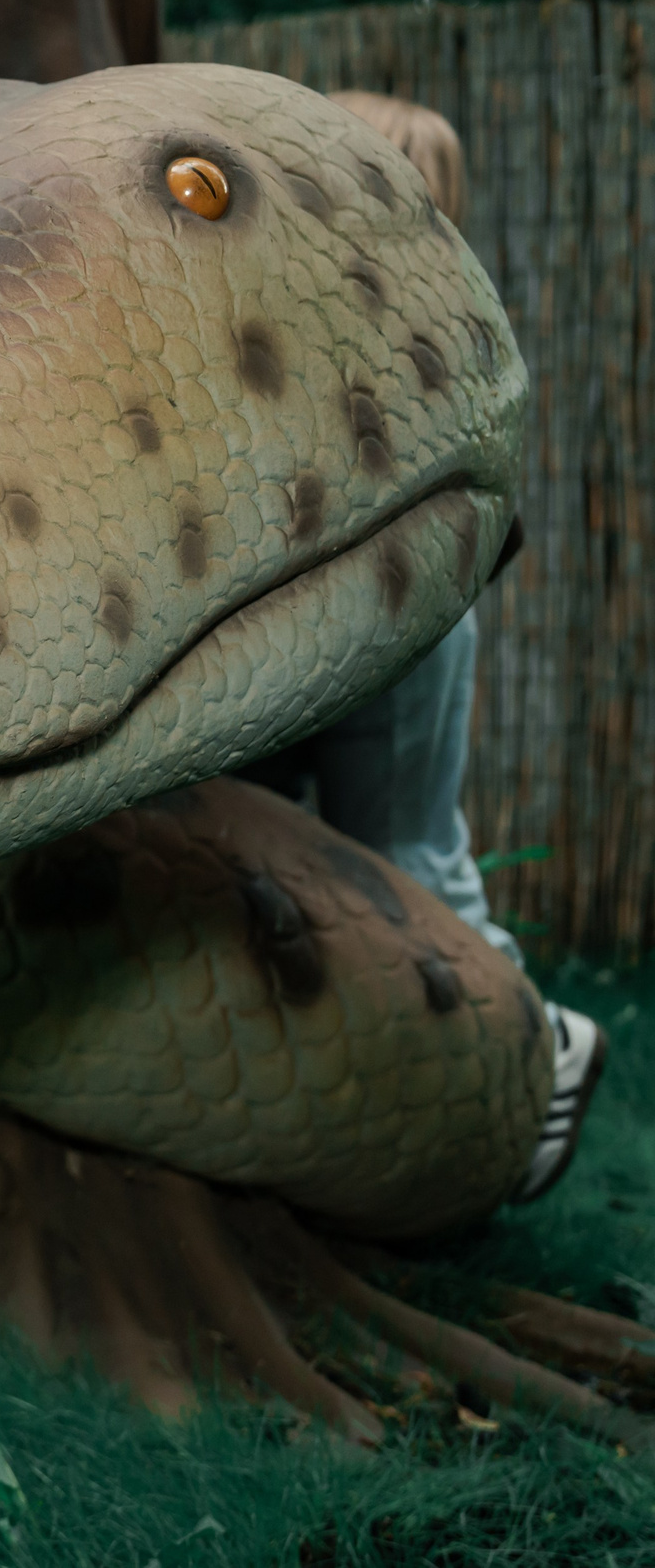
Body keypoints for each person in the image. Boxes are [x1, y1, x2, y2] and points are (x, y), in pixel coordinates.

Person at [238, 90, 604, 1204]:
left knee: (401, 849)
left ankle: (540, 1042)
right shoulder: (289, 312)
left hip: (410, 623)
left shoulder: (425, 327)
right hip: (317, 622)